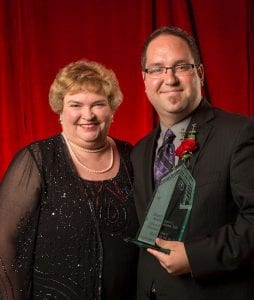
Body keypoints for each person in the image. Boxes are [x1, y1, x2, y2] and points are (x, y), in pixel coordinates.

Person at [131, 26, 254, 299]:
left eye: (180, 66)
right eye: (157, 69)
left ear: (199, 73)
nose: (169, 78)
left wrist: (196, 257)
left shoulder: (239, 133)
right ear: (145, 79)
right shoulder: (139, 153)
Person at [0, 59, 139, 299]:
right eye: (76, 104)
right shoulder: (38, 160)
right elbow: (4, 242)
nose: (88, 115)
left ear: (112, 109)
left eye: (98, 104)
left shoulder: (132, 157)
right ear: (60, 111)